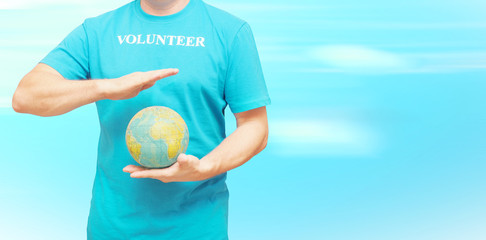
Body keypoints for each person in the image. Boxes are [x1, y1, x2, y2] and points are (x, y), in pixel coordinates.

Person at [12, 0, 271, 239]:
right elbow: (26, 97)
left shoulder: (231, 32)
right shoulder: (97, 32)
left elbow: (255, 127)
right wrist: (107, 87)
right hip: (113, 229)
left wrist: (205, 168)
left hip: (198, 227)